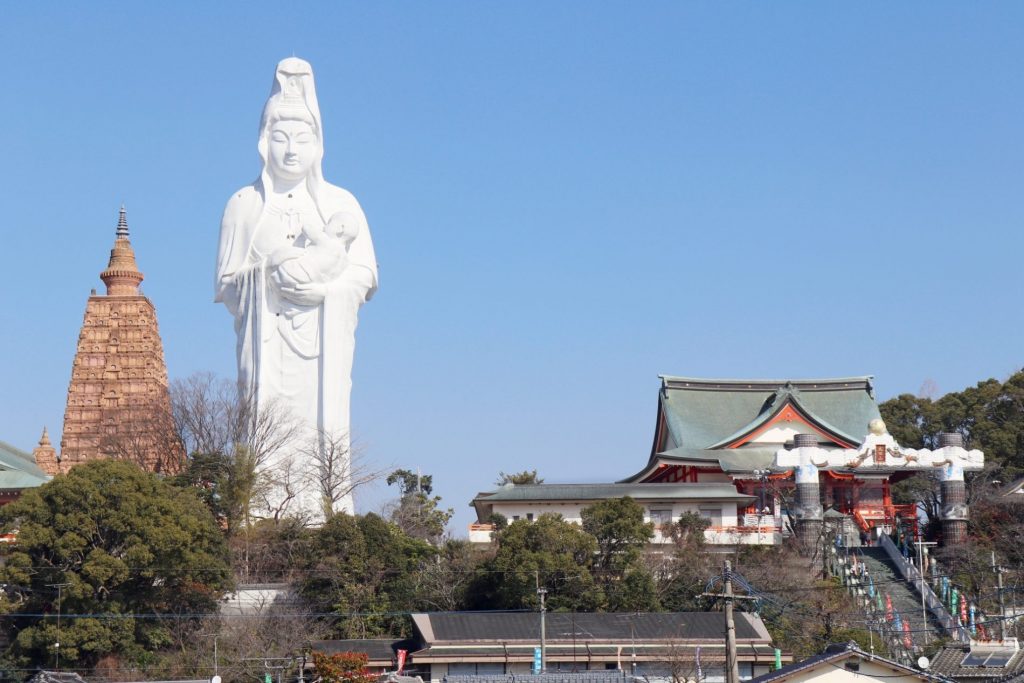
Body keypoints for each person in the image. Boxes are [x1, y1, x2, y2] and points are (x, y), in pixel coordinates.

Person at [215, 57, 378, 519]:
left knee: (320, 438)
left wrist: (326, 292)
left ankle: (328, 513)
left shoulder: (342, 203)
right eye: (281, 138)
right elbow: (227, 285)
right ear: (264, 141)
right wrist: (268, 275)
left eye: (301, 139)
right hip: (266, 346)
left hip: (322, 350)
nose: (290, 151)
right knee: (263, 431)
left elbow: (364, 275)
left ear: (318, 143)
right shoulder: (244, 204)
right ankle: (255, 517)